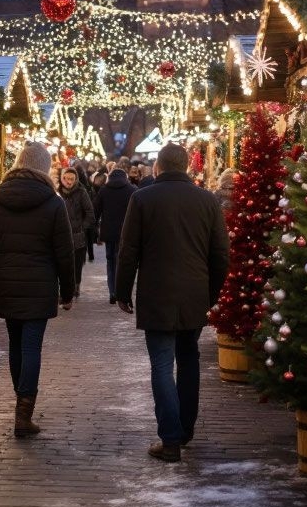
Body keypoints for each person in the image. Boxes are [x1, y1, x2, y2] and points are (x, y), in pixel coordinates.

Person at [114, 142, 230, 462]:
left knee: (162, 365)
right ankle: (185, 429)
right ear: (188, 167)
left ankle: (171, 439)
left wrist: (122, 292)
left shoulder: (142, 199)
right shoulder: (207, 200)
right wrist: (211, 294)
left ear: (158, 168)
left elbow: (128, 251)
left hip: (157, 296)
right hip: (194, 295)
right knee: (188, 360)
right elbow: (221, 254)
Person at [0, 142, 76, 438]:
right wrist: (68, 290)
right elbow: (64, 251)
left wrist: (2, 267)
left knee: (15, 342)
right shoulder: (54, 202)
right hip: (41, 284)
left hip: (9, 282)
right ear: (45, 166)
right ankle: (23, 413)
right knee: (31, 345)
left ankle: (20, 402)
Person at [95, 162, 136, 304]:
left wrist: (96, 230)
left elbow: (96, 211)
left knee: (110, 261)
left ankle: (112, 291)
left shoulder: (104, 190)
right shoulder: (131, 190)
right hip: (125, 233)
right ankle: (120, 291)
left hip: (109, 232)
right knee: (121, 261)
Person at [58, 166, 95, 296]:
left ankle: (75, 286)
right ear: (62, 178)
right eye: (66, 178)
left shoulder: (81, 192)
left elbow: (90, 213)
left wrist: (82, 227)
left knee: (76, 264)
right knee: (61, 263)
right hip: (60, 235)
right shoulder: (57, 192)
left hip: (77, 235)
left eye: (71, 179)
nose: (68, 182)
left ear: (76, 179)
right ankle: (63, 288)